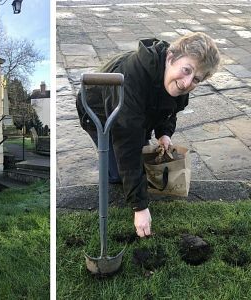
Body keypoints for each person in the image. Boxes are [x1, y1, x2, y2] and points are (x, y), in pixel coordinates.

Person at [76, 32, 220, 238]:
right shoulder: (131, 79)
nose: (187, 83)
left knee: (138, 155)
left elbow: (171, 109)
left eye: (196, 79)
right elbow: (127, 143)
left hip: (136, 112)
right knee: (120, 169)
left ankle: (132, 180)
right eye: (186, 71)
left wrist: (164, 133)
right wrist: (140, 208)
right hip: (97, 112)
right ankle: (113, 172)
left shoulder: (180, 80)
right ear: (171, 58)